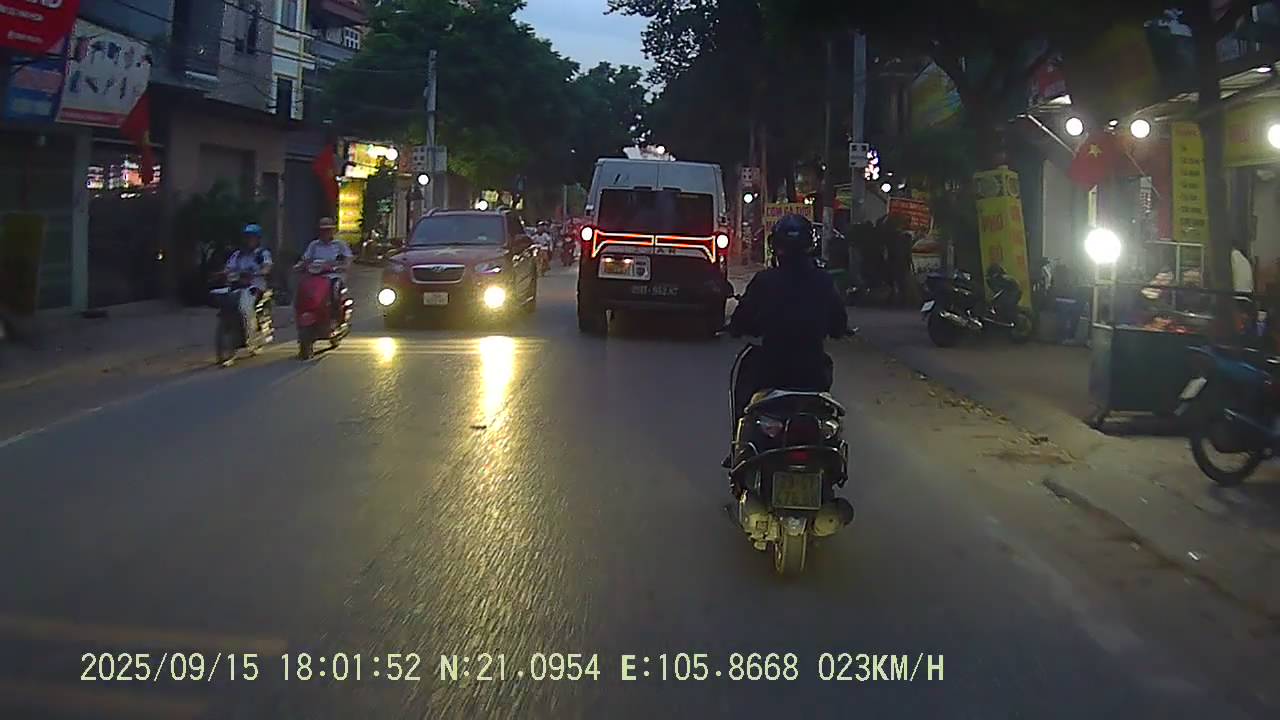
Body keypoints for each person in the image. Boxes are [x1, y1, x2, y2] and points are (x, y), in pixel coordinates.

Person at [728, 214, 849, 426]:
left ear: (776, 246)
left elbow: (742, 318)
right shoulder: (824, 281)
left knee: (745, 408)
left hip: (771, 369)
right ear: (810, 245)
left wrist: (735, 328)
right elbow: (839, 323)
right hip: (812, 371)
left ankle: (741, 440)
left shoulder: (765, 280)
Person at [223, 223, 273, 341]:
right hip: (238, 285)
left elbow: (267, 266)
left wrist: (261, 271)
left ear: (258, 239)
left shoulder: (262, 254)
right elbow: (228, 268)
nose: (249, 240)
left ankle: (253, 332)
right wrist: (224, 273)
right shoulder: (237, 254)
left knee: (246, 306)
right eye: (247, 237)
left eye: (252, 237)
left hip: (256, 286)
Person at [300, 217, 354, 317]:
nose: (325, 233)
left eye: (328, 230)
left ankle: (336, 313)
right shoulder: (314, 245)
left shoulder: (339, 244)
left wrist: (344, 266)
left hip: (333, 275)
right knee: (304, 289)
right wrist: (299, 266)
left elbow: (348, 258)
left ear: (333, 230)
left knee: (335, 290)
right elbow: (305, 259)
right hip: (315, 276)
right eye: (323, 230)